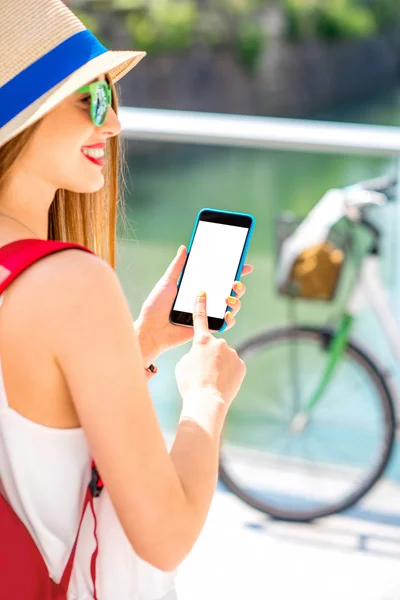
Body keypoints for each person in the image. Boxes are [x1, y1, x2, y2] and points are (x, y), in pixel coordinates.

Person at [0, 0, 253, 598]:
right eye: (92, 98)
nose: (112, 124)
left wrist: (133, 342)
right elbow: (164, 535)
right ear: (19, 115)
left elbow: (29, 418)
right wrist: (206, 395)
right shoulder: (70, 283)